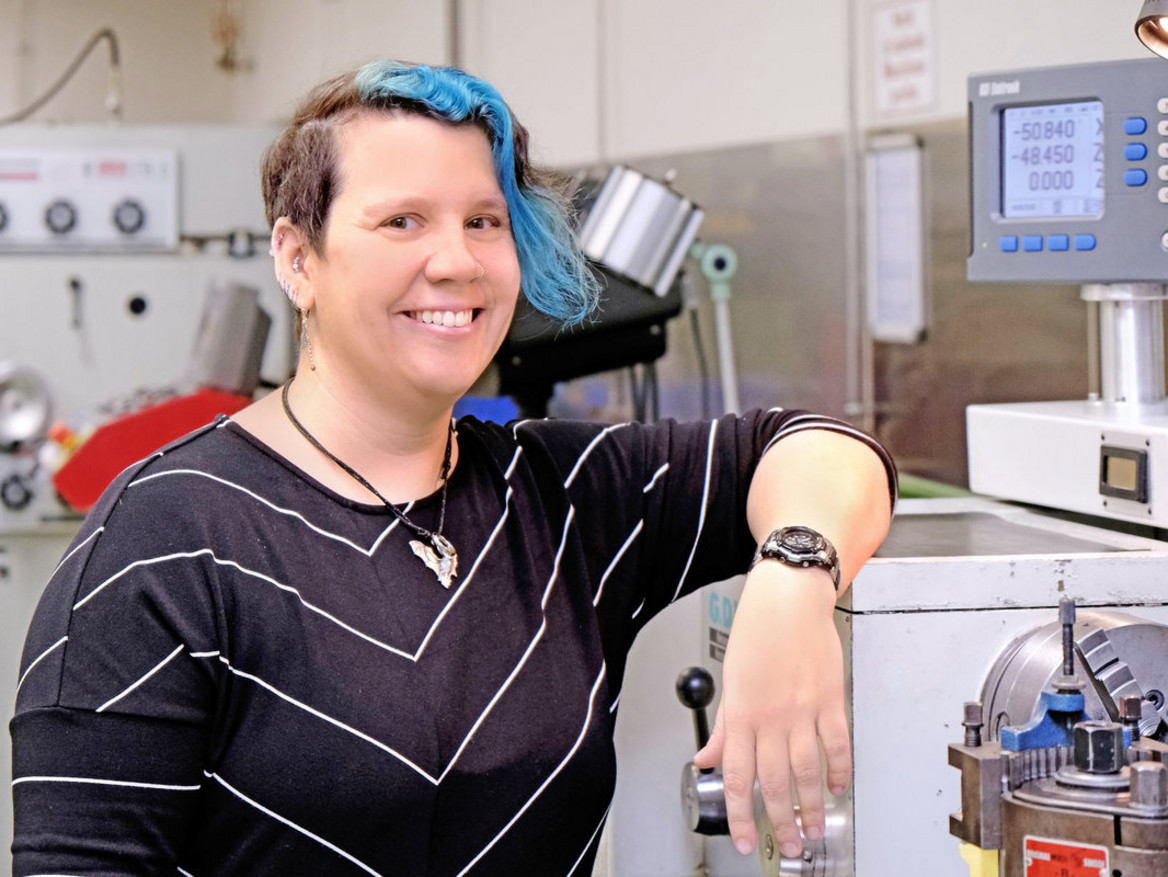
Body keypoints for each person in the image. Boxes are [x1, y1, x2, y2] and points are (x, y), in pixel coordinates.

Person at [10, 60, 895, 876]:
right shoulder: (161, 546)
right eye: (402, 221)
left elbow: (819, 446)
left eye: (484, 221)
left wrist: (793, 579)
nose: (456, 261)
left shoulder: (562, 498)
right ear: (296, 257)